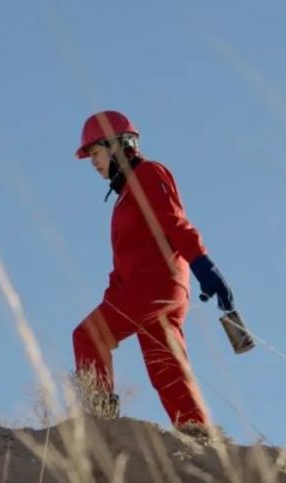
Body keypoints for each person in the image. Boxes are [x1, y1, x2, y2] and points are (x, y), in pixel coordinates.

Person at [71, 110, 236, 429]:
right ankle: (197, 435)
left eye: (95, 152)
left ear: (118, 145)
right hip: (153, 290)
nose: (93, 163)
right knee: (167, 369)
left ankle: (101, 424)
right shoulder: (125, 196)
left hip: (155, 287)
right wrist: (111, 302)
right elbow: (123, 265)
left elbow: (174, 221)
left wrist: (203, 264)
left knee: (89, 336)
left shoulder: (148, 174)